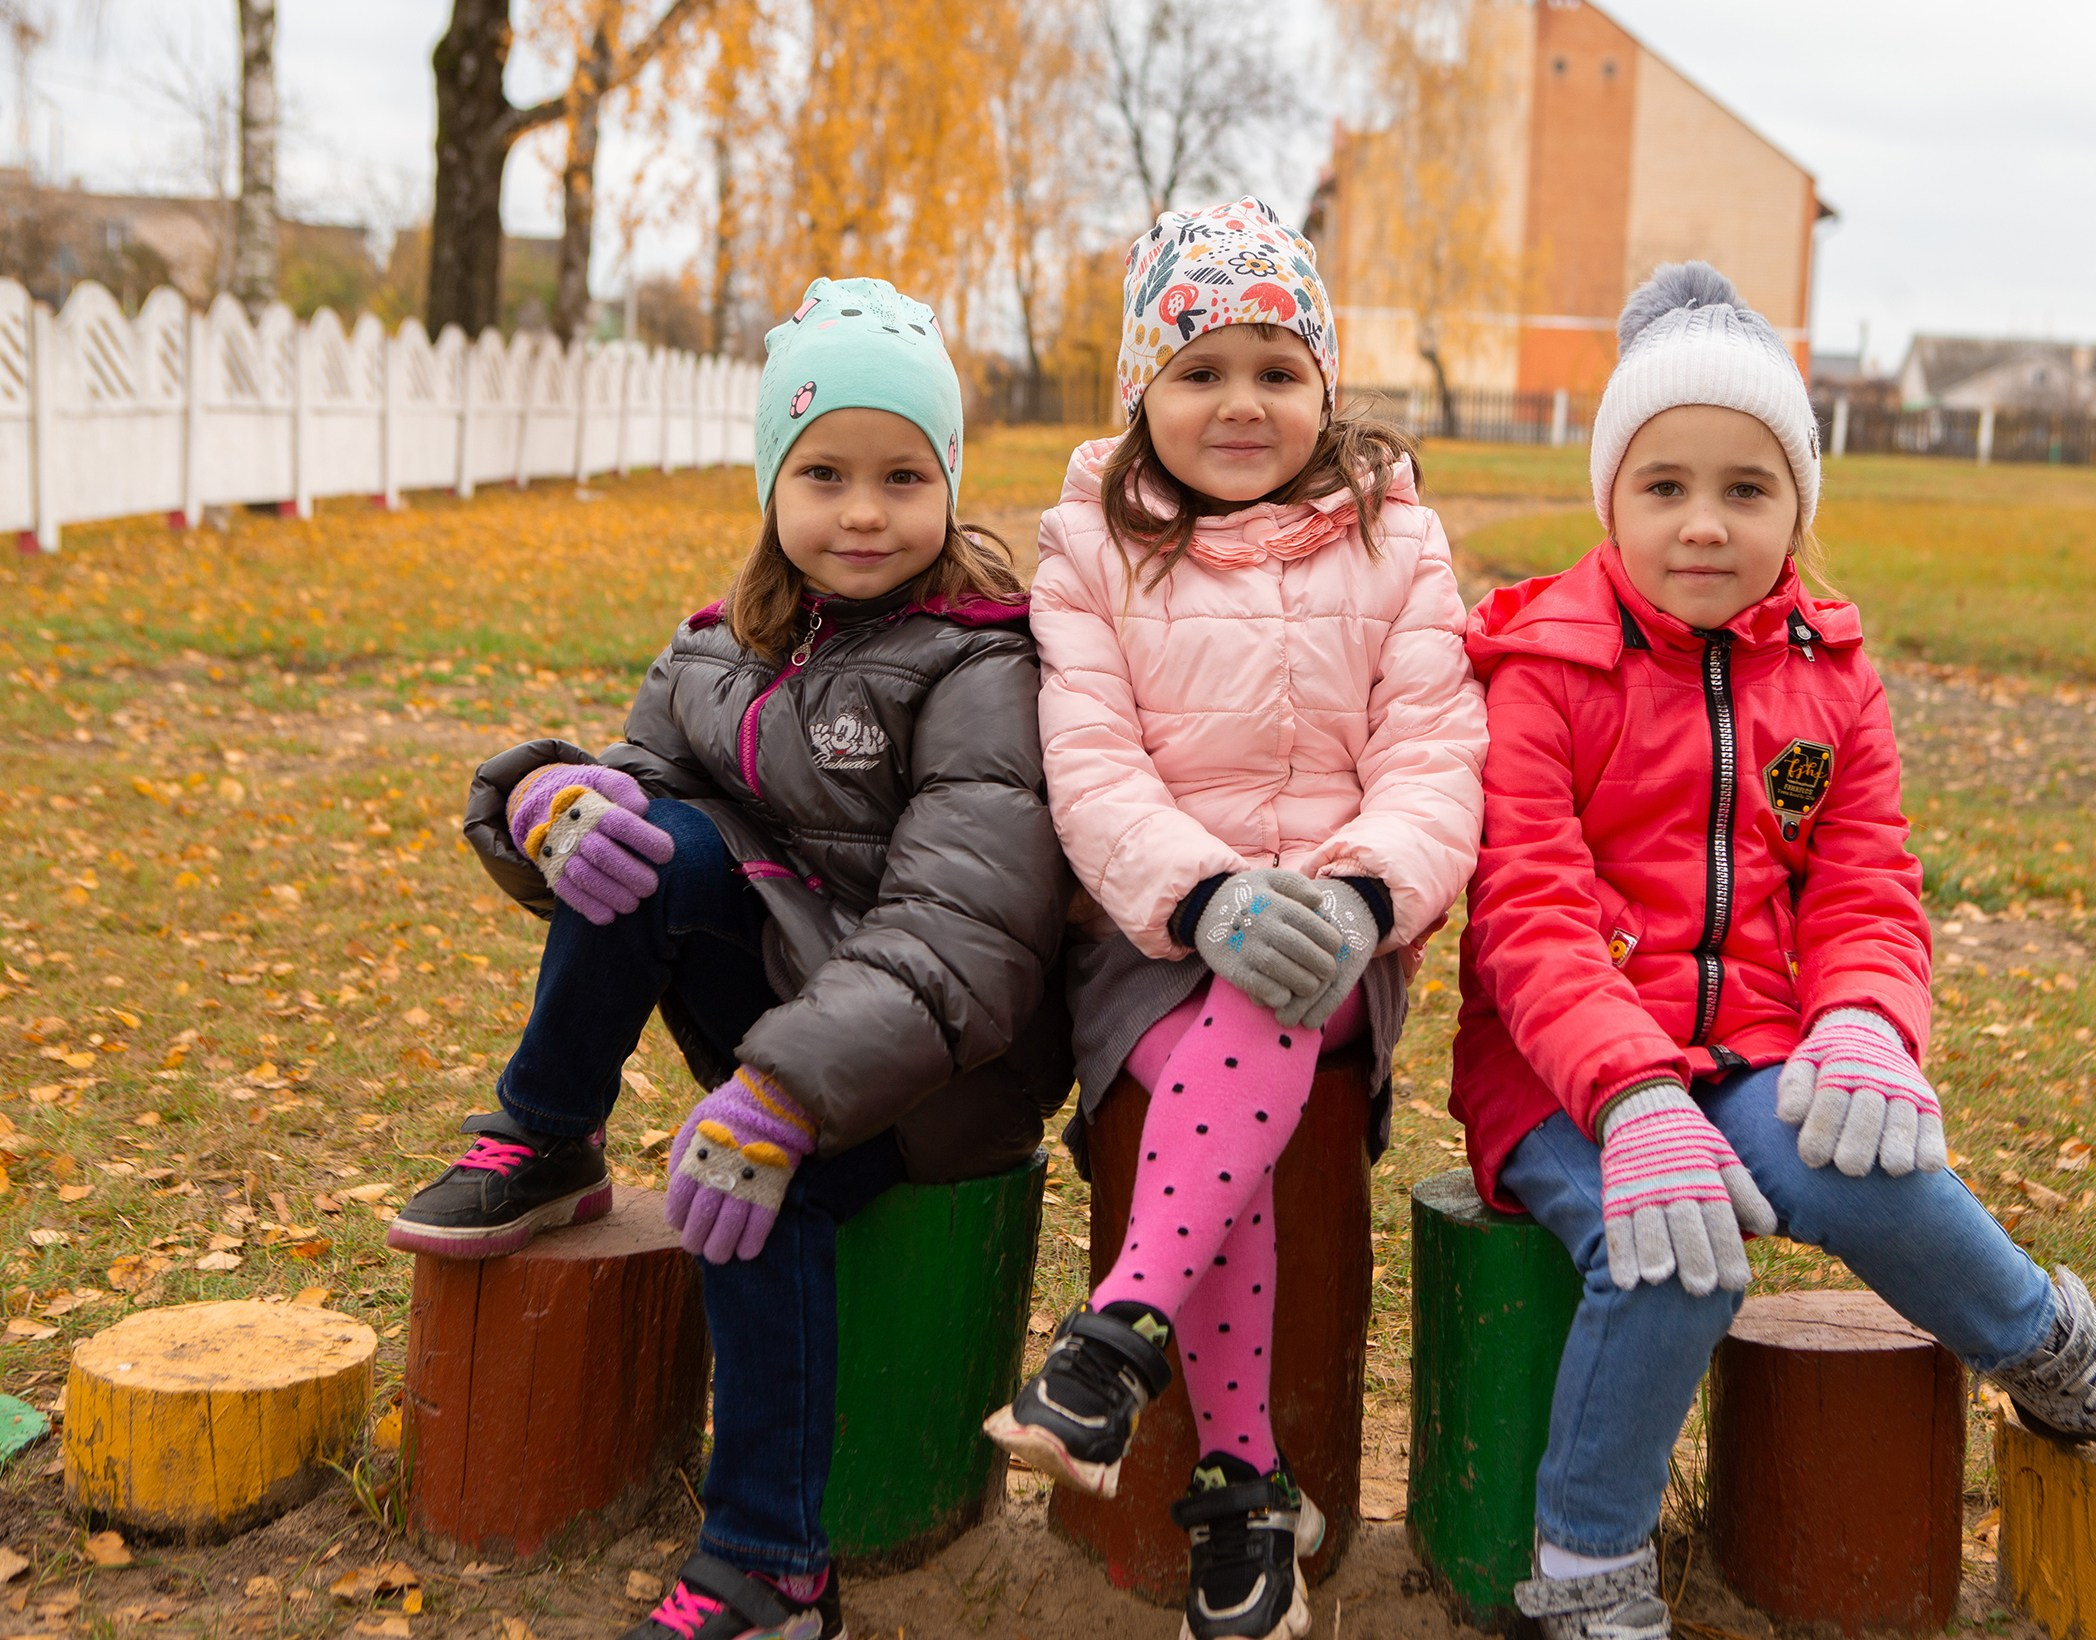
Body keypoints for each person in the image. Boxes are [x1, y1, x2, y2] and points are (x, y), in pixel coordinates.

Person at [1454, 263, 2096, 1640]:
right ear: (1611, 496)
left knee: (1876, 1157)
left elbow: (1865, 884)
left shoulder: (1831, 675)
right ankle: (1585, 1571)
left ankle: (2059, 1356)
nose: (1705, 525)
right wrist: (1633, 1093)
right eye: (1665, 487)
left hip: (1756, 1052)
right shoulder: (1545, 672)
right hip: (1564, 1074)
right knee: (1676, 1248)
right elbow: (1528, 915)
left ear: (1799, 505)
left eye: (1747, 488)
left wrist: (1862, 1024)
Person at [390, 276, 1072, 1640]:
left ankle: (772, 1564)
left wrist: (783, 1099)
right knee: (634, 830)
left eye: (901, 474)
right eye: (823, 473)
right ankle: (547, 1134)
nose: (863, 511)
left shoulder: (981, 666)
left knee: (752, 1181)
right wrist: (546, 803)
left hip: (945, 1074)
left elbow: (967, 939)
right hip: (795, 997)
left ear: (948, 482)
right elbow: (629, 794)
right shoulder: (721, 648)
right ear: (772, 482)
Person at [982, 198, 1486, 1640]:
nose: (1240, 403)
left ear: (1326, 384)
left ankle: (1120, 1347)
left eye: (1276, 368)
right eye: (1199, 371)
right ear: (1145, 393)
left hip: (1339, 930)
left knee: (1278, 997)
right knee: (1222, 1073)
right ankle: (1244, 1478)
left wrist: (1362, 889)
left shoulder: (1398, 542)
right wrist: (1202, 897)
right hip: (1152, 938)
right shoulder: (1093, 550)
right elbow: (1092, 764)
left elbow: (1435, 753)